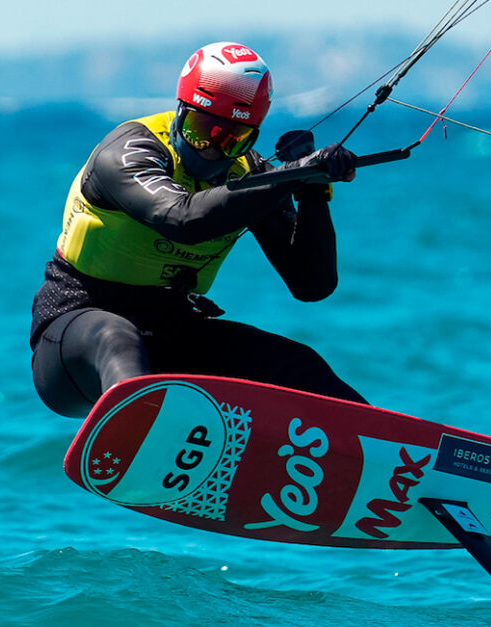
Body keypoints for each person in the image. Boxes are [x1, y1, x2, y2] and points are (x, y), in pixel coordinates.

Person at [30, 41, 366, 418]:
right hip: (77, 338)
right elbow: (183, 219)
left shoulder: (248, 172)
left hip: (173, 333)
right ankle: (138, 437)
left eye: (233, 139)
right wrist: (286, 178)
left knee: (296, 364)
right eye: (201, 130)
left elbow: (312, 285)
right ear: (180, 111)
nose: (212, 151)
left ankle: (386, 456)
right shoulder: (128, 151)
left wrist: (311, 190)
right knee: (116, 337)